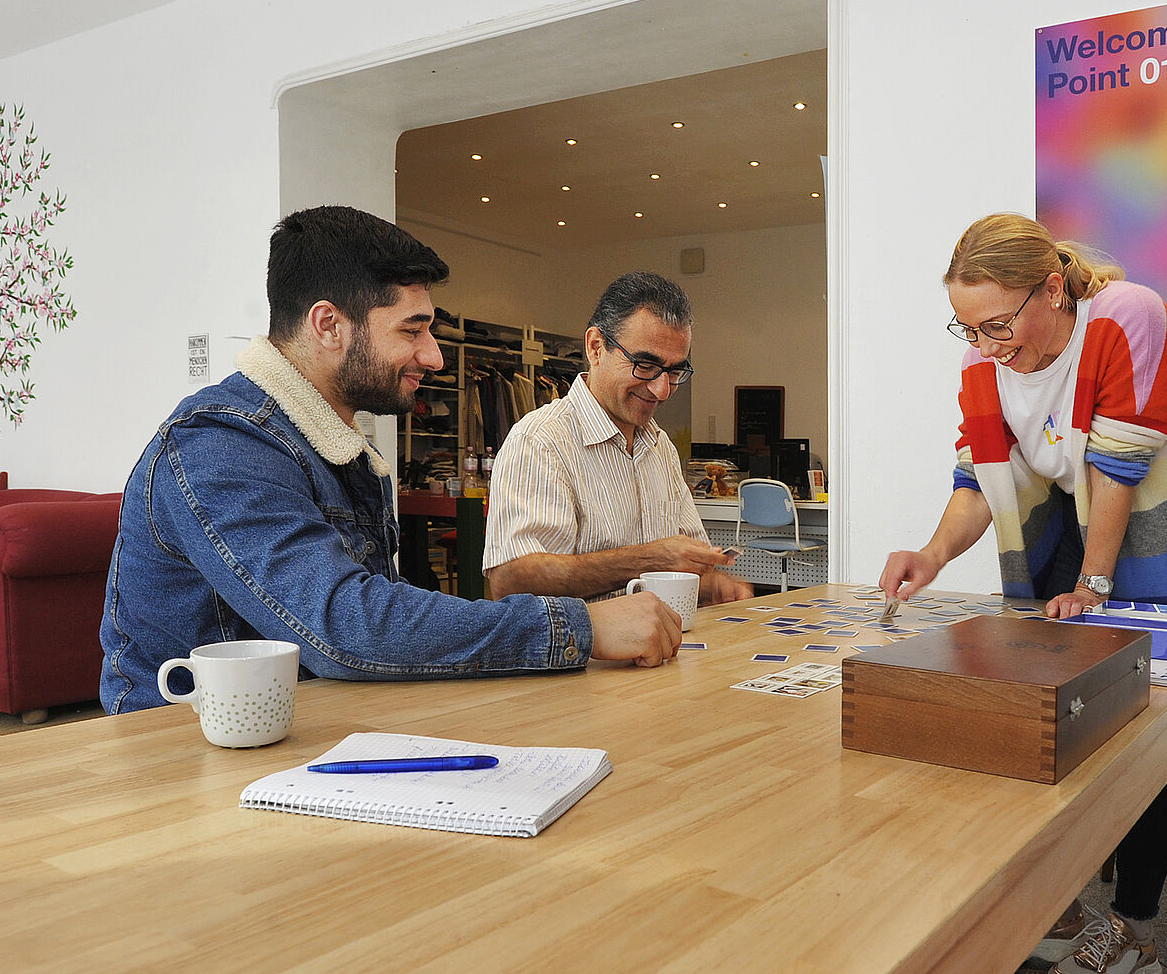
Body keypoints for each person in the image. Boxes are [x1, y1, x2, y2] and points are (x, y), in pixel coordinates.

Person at [881, 212, 1167, 974]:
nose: (986, 344)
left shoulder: (1129, 317)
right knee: (1050, 725)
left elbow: (1117, 470)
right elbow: (979, 486)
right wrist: (930, 554)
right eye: (969, 327)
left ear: (1052, 287)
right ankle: (1070, 903)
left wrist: (1094, 581)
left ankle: (1136, 932)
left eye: (999, 323)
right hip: (1083, 577)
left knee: (1137, 741)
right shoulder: (985, 370)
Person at [100, 206, 681, 714]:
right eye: (413, 331)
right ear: (329, 325)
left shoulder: (338, 442)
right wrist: (578, 627)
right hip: (183, 757)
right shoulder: (218, 446)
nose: (432, 356)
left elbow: (379, 624)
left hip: (310, 732)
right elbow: (347, 625)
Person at [483, 271, 754, 605]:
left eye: (674, 371)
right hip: (583, 657)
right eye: (645, 364)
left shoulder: (660, 447)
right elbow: (510, 581)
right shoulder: (540, 442)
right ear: (596, 347)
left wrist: (714, 583)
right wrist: (647, 560)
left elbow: (685, 562)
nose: (662, 389)